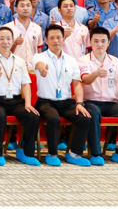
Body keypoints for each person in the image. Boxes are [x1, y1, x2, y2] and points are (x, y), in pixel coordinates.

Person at [78, 27, 118, 166]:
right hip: (91, 102)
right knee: (92, 113)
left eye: (103, 41)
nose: (100, 44)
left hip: (112, 103)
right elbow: (85, 80)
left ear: (108, 43)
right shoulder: (83, 61)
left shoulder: (115, 61)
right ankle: (96, 154)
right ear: (90, 42)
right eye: (96, 41)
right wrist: (96, 73)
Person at [31, 24, 92, 166]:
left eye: (59, 37)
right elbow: (38, 64)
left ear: (64, 39)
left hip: (66, 102)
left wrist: (79, 103)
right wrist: (42, 69)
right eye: (52, 38)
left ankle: (74, 154)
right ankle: (52, 154)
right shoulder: (39, 57)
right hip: (45, 102)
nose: (56, 41)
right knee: (53, 118)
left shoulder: (71, 60)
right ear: (46, 40)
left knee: (84, 118)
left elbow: (77, 84)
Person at [0, 27, 41, 166]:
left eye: (8, 38)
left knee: (33, 116)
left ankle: (26, 152)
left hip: (16, 100)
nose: (5, 42)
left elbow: (26, 84)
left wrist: (27, 103)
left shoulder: (19, 61)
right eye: (1, 39)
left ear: (12, 40)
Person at [4, 0, 44, 68]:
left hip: (33, 68)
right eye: (22, 6)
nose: (25, 8)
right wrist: (15, 44)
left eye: (28, 5)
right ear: (16, 9)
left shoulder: (37, 28)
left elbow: (39, 50)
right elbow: (4, 52)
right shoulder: (7, 28)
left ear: (32, 8)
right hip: (14, 68)